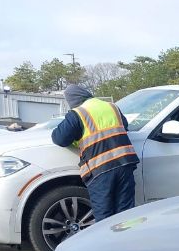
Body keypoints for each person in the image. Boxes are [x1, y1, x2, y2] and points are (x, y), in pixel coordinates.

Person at [51, 84, 139, 221]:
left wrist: (76, 141)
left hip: (101, 169)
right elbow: (124, 126)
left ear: (72, 101)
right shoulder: (112, 106)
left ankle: (106, 242)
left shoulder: (78, 113)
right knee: (125, 213)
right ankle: (126, 241)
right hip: (125, 164)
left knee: (104, 216)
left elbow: (59, 138)